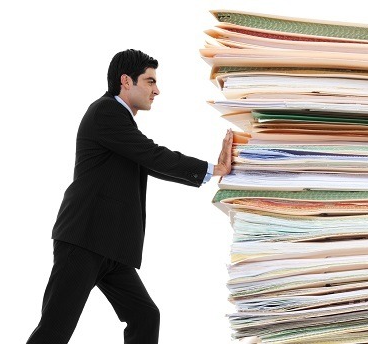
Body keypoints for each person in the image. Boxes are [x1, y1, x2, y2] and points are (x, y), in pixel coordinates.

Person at [26, 49, 233, 344]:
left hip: (110, 245)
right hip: (84, 240)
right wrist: (213, 169)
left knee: (145, 316)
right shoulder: (105, 112)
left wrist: (210, 172)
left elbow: (146, 161)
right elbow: (151, 154)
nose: (157, 90)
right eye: (149, 81)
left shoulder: (120, 123)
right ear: (126, 81)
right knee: (54, 330)